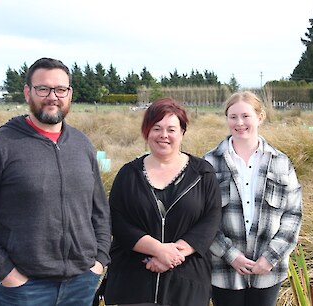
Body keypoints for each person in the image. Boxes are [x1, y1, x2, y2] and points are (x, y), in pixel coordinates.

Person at [0, 57, 111, 306]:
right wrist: (5, 272)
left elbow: (99, 209)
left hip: (81, 283)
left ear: (69, 94)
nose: (52, 97)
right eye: (43, 89)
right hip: (24, 288)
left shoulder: (82, 144)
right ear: (28, 92)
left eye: (60, 89)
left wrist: (99, 260)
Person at [104, 97, 222, 306]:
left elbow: (211, 219)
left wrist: (174, 254)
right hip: (132, 282)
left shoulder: (202, 173)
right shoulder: (128, 174)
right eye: (156, 128)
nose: (164, 135)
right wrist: (157, 250)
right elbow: (118, 221)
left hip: (187, 282)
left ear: (182, 132)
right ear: (146, 131)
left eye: (171, 129)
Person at [203, 91, 302, 306]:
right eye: (233, 117)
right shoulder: (209, 163)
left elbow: (293, 215)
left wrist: (270, 257)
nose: (239, 123)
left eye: (246, 116)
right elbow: (201, 217)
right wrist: (230, 254)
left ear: (260, 117)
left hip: (268, 271)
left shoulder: (281, 163)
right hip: (223, 269)